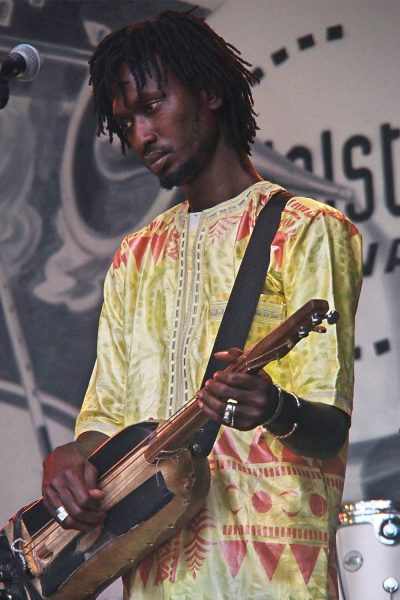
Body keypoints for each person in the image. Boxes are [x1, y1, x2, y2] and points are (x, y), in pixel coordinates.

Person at [41, 9, 363, 600]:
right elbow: (105, 418)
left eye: (153, 106)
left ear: (210, 92)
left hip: (274, 578)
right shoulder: (135, 256)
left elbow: (328, 424)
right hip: (156, 576)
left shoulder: (308, 230)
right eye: (126, 121)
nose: (140, 136)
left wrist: (272, 407)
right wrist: (67, 459)